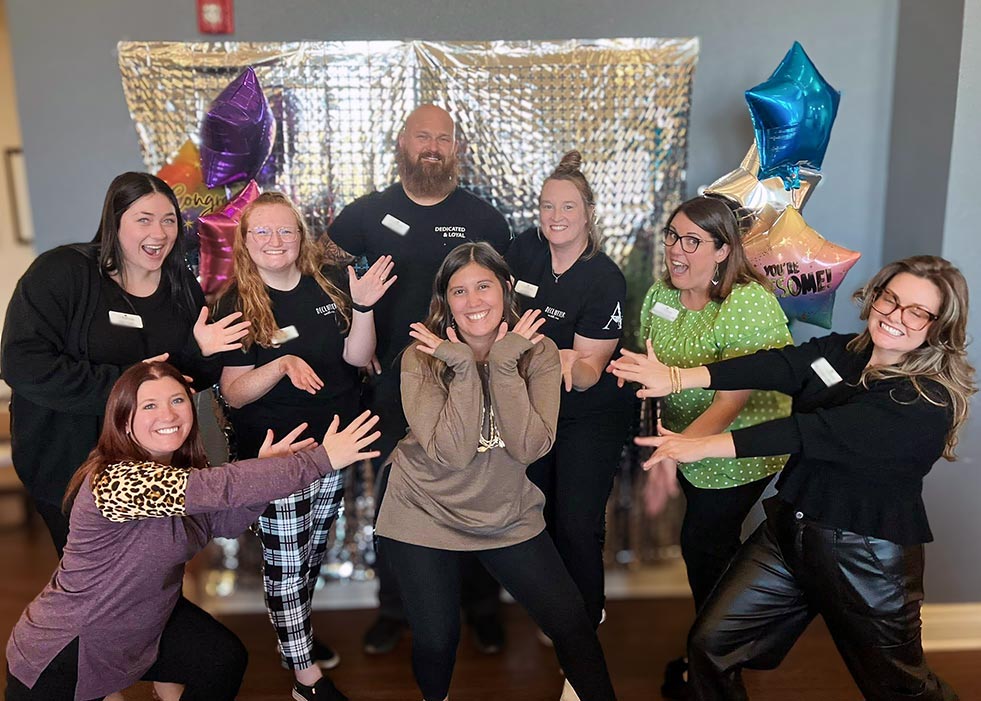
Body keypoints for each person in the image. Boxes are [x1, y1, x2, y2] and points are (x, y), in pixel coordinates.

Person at [627, 255, 974, 701]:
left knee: (901, 688)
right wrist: (677, 377)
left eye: (917, 312)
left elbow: (808, 433)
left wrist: (695, 445)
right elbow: (781, 366)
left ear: (938, 327)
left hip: (864, 554)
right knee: (711, 645)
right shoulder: (847, 353)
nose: (895, 316)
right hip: (792, 531)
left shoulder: (924, 401)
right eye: (891, 298)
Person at [4, 361, 381, 701]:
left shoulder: (179, 474)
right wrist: (320, 459)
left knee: (220, 659)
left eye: (177, 400)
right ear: (123, 420)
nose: (167, 413)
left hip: (141, 624)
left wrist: (266, 475)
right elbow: (219, 487)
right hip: (70, 646)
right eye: (149, 405)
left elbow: (225, 522)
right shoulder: (115, 478)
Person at [374, 242, 617, 701]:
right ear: (445, 301)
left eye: (483, 285)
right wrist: (464, 366)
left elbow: (529, 447)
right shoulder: (421, 357)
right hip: (423, 507)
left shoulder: (537, 352)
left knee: (571, 623)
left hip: (504, 509)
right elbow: (452, 454)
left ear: (506, 288)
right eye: (458, 291)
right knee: (437, 639)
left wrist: (503, 363)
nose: (473, 301)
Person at [327, 104, 512, 655]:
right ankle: (394, 608)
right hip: (394, 386)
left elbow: (503, 297)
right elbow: (327, 276)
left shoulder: (485, 220)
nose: (432, 146)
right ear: (402, 143)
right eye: (422, 136)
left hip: (471, 381)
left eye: (443, 138)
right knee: (395, 497)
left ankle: (481, 607)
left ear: (456, 149)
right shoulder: (367, 214)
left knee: (478, 490)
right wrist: (360, 341)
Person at [0, 172, 250, 556]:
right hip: (71, 466)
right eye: (144, 219)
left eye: (169, 219)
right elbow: (21, 363)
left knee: (154, 572)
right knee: (98, 580)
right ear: (114, 222)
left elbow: (188, 378)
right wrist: (128, 386)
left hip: (154, 469)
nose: (160, 231)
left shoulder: (180, 285)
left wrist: (203, 353)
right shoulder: (62, 272)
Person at [608, 195, 792, 699]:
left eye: (692, 240)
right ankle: (717, 652)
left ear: (722, 250)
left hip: (740, 448)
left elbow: (734, 397)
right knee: (712, 550)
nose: (676, 249)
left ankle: (716, 666)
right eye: (672, 235)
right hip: (687, 445)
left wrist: (674, 455)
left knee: (704, 545)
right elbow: (656, 371)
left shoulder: (746, 302)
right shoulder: (661, 296)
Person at [215, 191, 395, 701]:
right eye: (263, 232)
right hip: (279, 454)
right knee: (287, 564)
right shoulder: (238, 303)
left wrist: (363, 307)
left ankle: (298, 644)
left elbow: (360, 356)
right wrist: (279, 364)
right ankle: (305, 679)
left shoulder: (329, 283)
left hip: (334, 448)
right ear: (246, 242)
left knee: (308, 558)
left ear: (301, 236)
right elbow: (232, 390)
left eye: (286, 231)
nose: (276, 241)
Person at [505, 151, 631, 699]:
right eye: (547, 205)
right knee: (541, 516)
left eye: (568, 206)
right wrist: (546, 352)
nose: (556, 215)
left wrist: (537, 347)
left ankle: (584, 631)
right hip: (535, 410)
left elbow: (583, 373)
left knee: (578, 523)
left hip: (589, 416)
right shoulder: (523, 252)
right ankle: (563, 613)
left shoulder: (603, 278)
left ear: (588, 214)